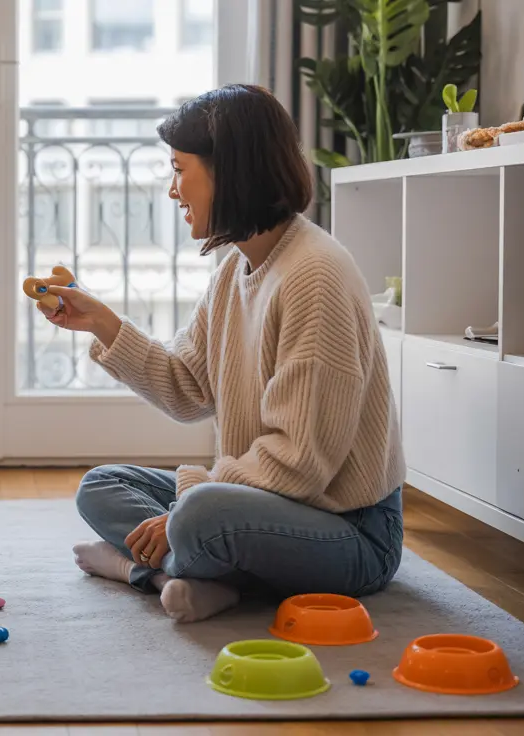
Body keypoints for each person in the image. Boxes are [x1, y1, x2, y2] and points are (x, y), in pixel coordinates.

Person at [38, 84, 405, 623]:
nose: (172, 190)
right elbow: (189, 388)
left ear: (230, 172)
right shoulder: (238, 267)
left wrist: (190, 503)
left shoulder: (314, 276)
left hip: (350, 531)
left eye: (179, 169)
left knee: (201, 514)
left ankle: (141, 570)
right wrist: (104, 323)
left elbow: (300, 462)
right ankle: (186, 573)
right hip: (270, 505)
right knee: (104, 486)